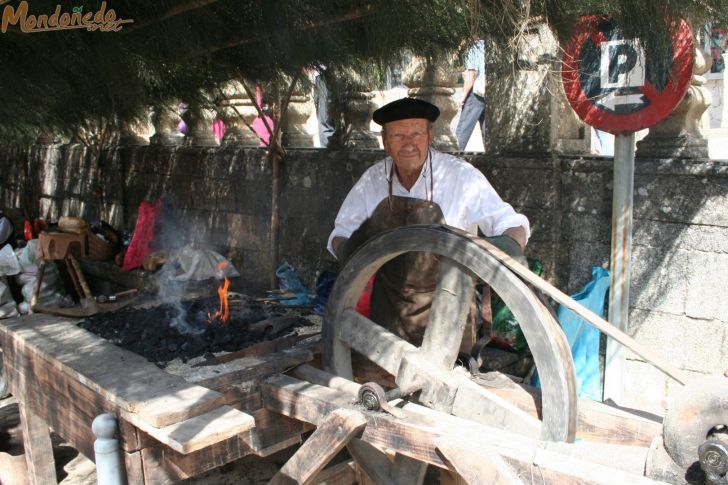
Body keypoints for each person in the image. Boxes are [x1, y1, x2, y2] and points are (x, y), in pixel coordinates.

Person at [327, 97, 529, 345]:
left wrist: (506, 249)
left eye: (416, 133)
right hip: (388, 311)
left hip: (448, 309)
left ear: (430, 136)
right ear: (385, 141)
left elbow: (510, 222)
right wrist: (357, 259)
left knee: (447, 378)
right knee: (380, 377)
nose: (408, 143)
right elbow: (340, 234)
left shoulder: (460, 176)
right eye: (399, 135)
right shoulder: (373, 180)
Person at [455, 38, 486, 151]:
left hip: (476, 94)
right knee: (487, 134)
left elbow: (472, 75)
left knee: (462, 132)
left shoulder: (474, 48)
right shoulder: (489, 45)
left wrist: (462, 97)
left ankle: (453, 162)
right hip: (489, 94)